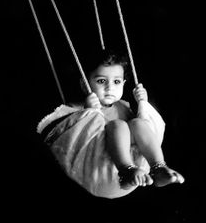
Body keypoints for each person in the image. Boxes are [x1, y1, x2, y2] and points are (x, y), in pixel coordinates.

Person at [36, 49, 184, 199]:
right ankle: (126, 170)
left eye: (116, 82)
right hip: (102, 171)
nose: (109, 87)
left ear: (123, 84)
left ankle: (158, 167)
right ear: (84, 84)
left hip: (138, 166)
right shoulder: (79, 108)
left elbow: (142, 132)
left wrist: (142, 103)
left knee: (138, 123)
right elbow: (73, 131)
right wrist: (88, 111)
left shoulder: (124, 106)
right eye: (101, 81)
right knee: (117, 125)